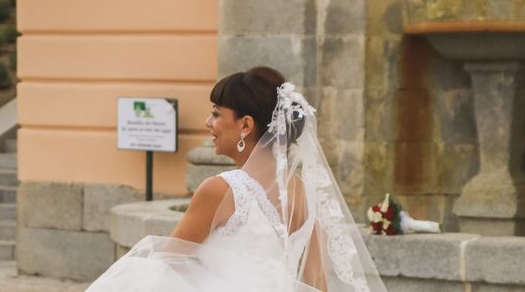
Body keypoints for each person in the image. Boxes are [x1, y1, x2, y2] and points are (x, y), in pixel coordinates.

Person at [86, 66, 386, 291]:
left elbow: (164, 267)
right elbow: (317, 284)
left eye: (216, 113)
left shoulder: (221, 189)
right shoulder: (303, 192)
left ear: (245, 125)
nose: (208, 123)